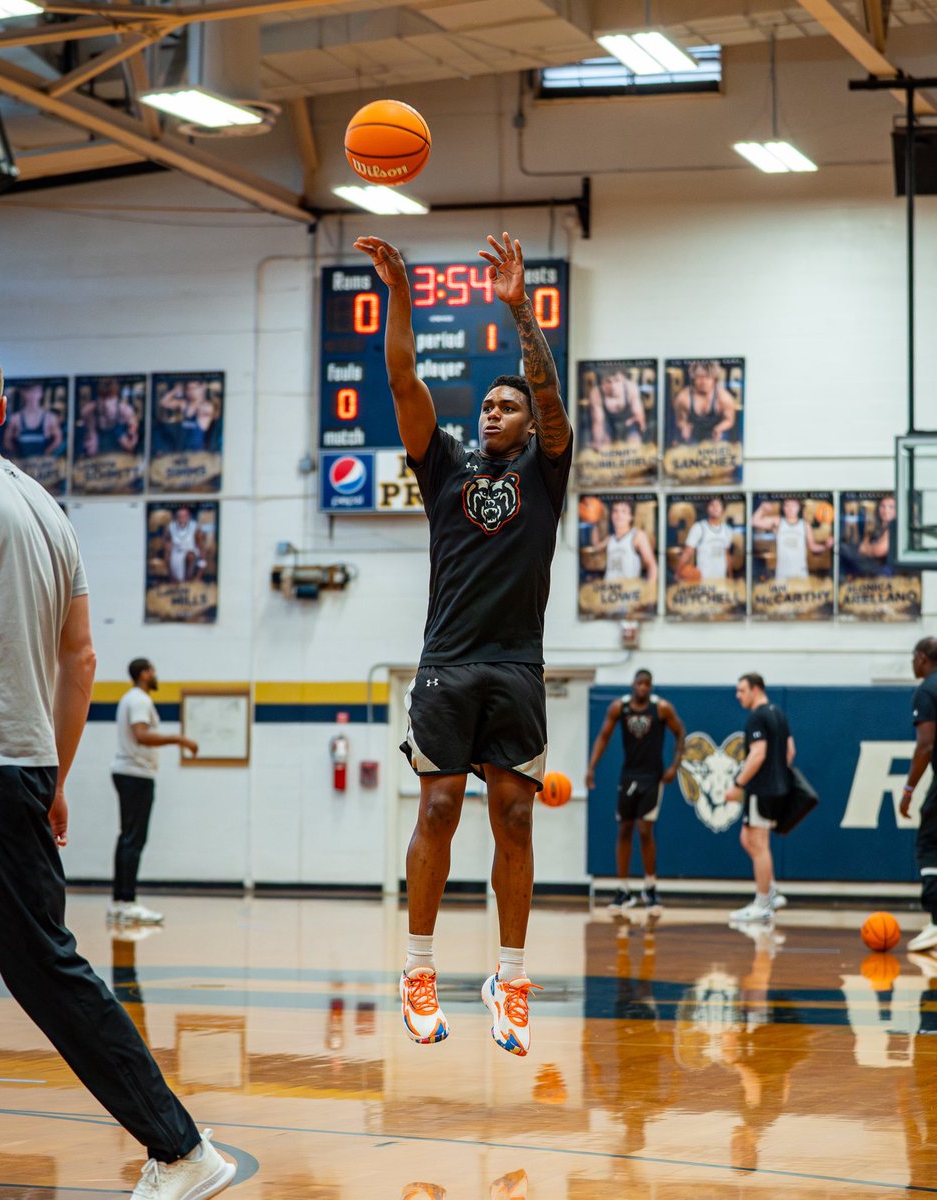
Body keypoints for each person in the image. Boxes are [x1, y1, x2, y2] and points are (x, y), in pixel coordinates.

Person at [0, 344, 235, 1200]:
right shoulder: (49, 510)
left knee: (46, 972)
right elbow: (81, 660)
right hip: (19, 769)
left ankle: (182, 1146)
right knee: (46, 967)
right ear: (4, 411)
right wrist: (53, 780)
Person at [354, 230, 572, 1057]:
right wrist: (400, 290)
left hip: (517, 665)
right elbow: (403, 377)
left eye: (507, 404)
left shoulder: (545, 470)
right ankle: (419, 969)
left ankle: (509, 978)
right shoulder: (443, 465)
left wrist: (520, 311)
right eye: (487, 403)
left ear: (530, 423)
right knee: (440, 805)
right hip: (447, 663)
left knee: (514, 817)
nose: (494, 409)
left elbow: (550, 398)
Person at [585, 669, 686, 915]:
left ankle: (650, 887)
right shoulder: (619, 707)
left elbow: (681, 733)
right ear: (633, 684)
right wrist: (591, 767)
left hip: (652, 777)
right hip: (629, 775)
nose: (643, 688)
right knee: (625, 829)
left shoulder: (661, 708)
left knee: (645, 829)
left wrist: (675, 766)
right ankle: (623, 890)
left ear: (651, 687)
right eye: (640, 683)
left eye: (647, 684)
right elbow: (603, 737)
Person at [109, 658, 198, 926]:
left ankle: (120, 903)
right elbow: (142, 735)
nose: (156, 675)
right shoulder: (139, 700)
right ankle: (127, 904)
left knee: (128, 838)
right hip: (135, 774)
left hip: (131, 774)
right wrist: (180, 739)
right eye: (153, 670)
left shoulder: (133, 698)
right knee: (133, 840)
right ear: (144, 673)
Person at [724, 673, 793, 922]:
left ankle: (763, 903)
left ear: (755, 689)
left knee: (758, 844)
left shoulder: (757, 716)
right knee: (748, 838)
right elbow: (790, 751)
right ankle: (771, 890)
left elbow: (757, 754)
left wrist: (737, 785)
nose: (738, 695)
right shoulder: (778, 713)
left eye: (742, 690)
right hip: (776, 788)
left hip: (762, 789)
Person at [899, 638, 937, 952]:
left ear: (922, 658)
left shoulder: (926, 691)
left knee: (929, 841)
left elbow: (926, 745)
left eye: (913, 658)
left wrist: (908, 790)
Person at [752, 497, 833, 582]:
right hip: (782, 576)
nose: (790, 509)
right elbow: (754, 521)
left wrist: (826, 546)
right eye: (787, 505)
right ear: (783, 507)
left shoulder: (805, 525)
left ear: (799, 507)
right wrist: (762, 507)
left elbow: (813, 547)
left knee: (801, 594)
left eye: (793, 505)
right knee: (779, 595)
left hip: (801, 575)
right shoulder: (778, 522)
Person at [591, 498, 658, 584]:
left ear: (631, 516)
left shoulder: (637, 536)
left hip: (627, 593)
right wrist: (594, 522)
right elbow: (596, 547)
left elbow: (652, 565)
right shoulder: (611, 538)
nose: (619, 515)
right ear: (611, 515)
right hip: (609, 590)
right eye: (615, 511)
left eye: (624, 511)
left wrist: (649, 588)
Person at [671, 361, 737, 444]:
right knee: (679, 441)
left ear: (714, 378)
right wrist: (684, 427)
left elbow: (729, 420)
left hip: (716, 433)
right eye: (699, 377)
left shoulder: (724, 398)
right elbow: (680, 420)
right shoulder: (683, 398)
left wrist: (719, 428)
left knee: (724, 441)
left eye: (708, 377)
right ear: (693, 378)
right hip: (693, 434)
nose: (703, 381)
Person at [676, 495, 734, 580]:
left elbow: (727, 554)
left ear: (723, 509)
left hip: (721, 579)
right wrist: (678, 572)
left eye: (718, 505)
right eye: (712, 505)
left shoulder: (727, 530)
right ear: (707, 508)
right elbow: (688, 552)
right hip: (702, 578)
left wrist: (730, 576)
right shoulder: (698, 527)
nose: (715, 508)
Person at [2, 381, 62, 460]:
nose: (33, 396)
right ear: (24, 394)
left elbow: (58, 439)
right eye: (29, 392)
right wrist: (17, 456)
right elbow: (7, 441)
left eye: (36, 391)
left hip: (42, 465)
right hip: (22, 465)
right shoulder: (15, 419)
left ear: (41, 393)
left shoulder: (50, 418)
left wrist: (45, 454)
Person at [587, 367, 646, 447]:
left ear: (624, 380)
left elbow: (639, 415)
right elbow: (598, 422)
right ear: (602, 382)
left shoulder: (631, 388)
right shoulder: (596, 393)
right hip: (608, 424)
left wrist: (640, 429)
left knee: (634, 444)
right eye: (608, 381)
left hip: (628, 423)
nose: (613, 386)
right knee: (603, 445)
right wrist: (597, 441)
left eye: (617, 381)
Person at [165, 505, 206, 582]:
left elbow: (201, 547)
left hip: (191, 553)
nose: (182, 518)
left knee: (190, 555)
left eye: (185, 515)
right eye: (180, 516)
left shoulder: (195, 527)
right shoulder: (171, 527)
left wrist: (202, 566)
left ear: (189, 516)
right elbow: (167, 548)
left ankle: (189, 580)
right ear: (176, 517)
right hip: (176, 554)